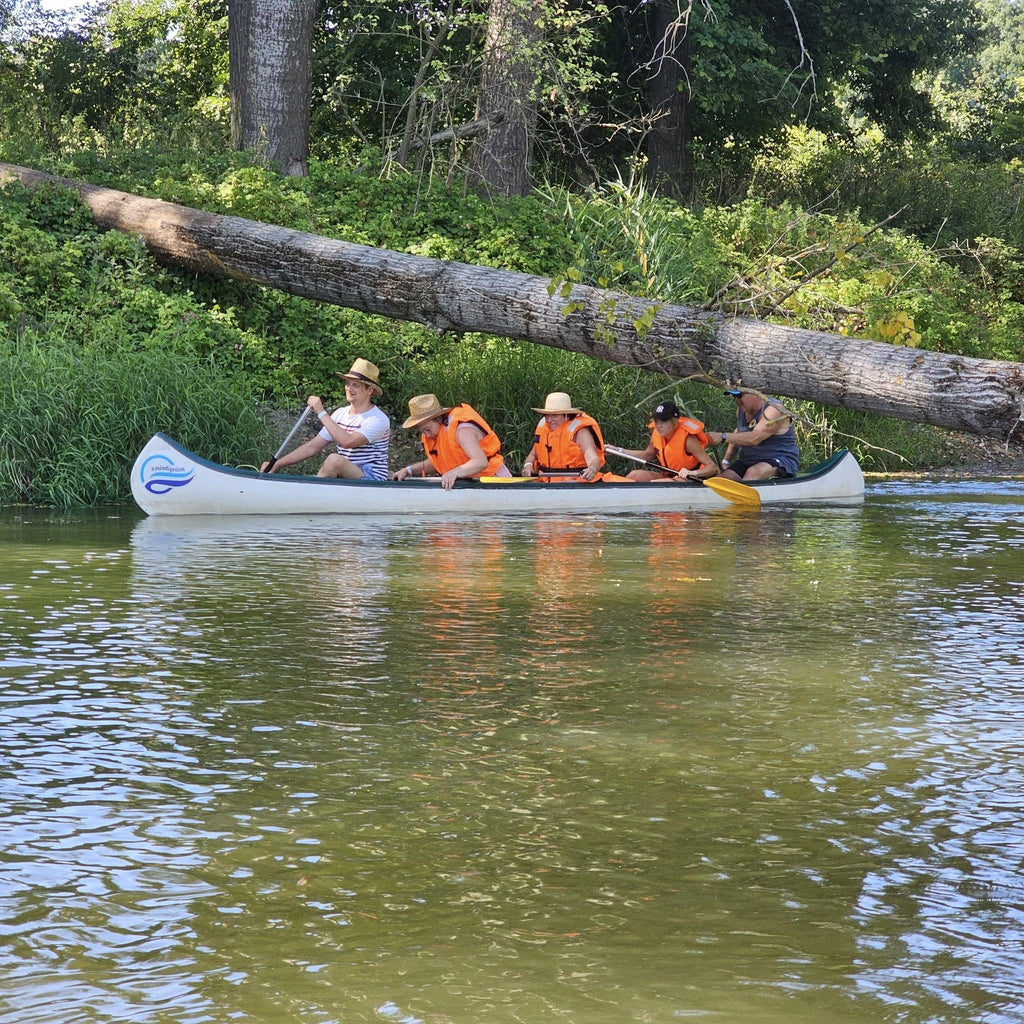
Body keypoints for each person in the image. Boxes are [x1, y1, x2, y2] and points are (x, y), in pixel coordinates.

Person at [260, 358, 391, 480]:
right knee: (334, 461)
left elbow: (347, 442)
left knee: (334, 460)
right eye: (347, 383)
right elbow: (313, 446)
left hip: (372, 480)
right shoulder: (340, 414)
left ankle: (311, 494)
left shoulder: (378, 419)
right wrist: (277, 464)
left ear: (370, 390)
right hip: (347, 476)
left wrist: (321, 412)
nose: (349, 389)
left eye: (355, 385)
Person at [393, 394, 511, 490]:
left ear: (438, 418)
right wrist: (409, 470)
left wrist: (454, 473)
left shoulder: (462, 431)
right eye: (423, 431)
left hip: (493, 480)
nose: (427, 435)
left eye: (428, 429)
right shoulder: (436, 433)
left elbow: (480, 462)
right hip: (469, 486)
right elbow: (439, 462)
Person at [707, 388, 799, 480]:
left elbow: (754, 438)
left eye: (739, 396)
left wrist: (723, 436)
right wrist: (726, 461)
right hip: (749, 460)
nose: (737, 400)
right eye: (734, 396)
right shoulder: (741, 410)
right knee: (722, 479)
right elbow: (738, 433)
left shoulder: (774, 409)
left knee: (752, 473)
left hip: (779, 459)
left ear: (755, 393)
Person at [620, 400, 719, 482]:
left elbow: (712, 467)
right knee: (634, 475)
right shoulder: (657, 434)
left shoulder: (688, 440)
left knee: (656, 483)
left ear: (674, 422)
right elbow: (646, 455)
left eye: (663, 421)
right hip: (670, 476)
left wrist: (691, 473)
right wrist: (617, 450)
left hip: (691, 478)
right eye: (656, 421)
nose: (658, 426)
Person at [521, 392, 606, 482]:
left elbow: (594, 460)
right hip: (545, 482)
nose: (549, 420)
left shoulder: (580, 433)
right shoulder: (544, 431)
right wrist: (528, 465)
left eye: (555, 415)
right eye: (547, 415)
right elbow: (533, 454)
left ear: (566, 415)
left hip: (574, 482)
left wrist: (591, 470)